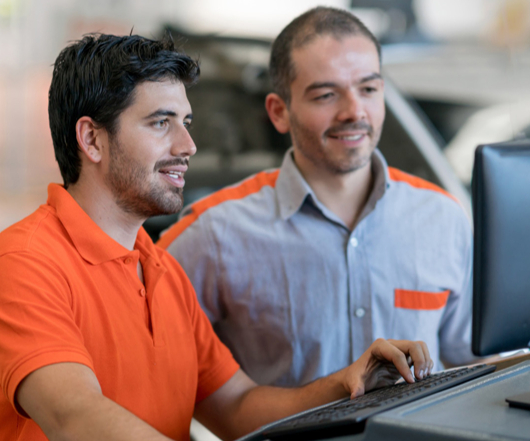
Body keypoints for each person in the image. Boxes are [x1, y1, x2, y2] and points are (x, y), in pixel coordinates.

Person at [0, 32, 432, 441]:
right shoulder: (23, 263)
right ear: (91, 139)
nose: (188, 144)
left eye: (185, 122)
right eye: (160, 123)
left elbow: (237, 406)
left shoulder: (161, 269)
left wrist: (346, 382)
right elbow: (74, 416)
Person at [158, 6, 475, 388]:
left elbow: (474, 363)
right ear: (279, 112)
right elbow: (143, 366)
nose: (354, 111)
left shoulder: (443, 217)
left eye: (369, 89)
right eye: (326, 95)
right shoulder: (213, 233)